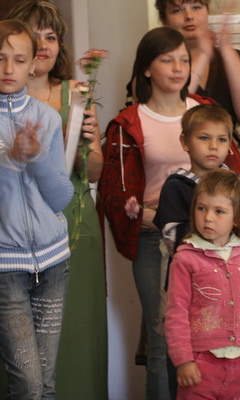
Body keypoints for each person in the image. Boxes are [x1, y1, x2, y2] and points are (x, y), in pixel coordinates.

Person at [97, 27, 214, 400]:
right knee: (162, 336)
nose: (178, 68)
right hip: (154, 240)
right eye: (167, 60)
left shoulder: (203, 111)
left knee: (208, 332)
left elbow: (232, 175)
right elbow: (115, 194)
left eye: (184, 60)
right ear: (147, 68)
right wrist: (146, 216)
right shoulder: (129, 122)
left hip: (207, 237)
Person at [5, 2, 108, 398]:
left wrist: (83, 142)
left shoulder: (76, 97)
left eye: (51, 37)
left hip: (69, 228)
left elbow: (91, 174)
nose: (44, 45)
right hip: (10, 245)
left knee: (70, 342)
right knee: (25, 371)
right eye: (36, 37)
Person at [0, 19, 73, 399]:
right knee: (27, 385)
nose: (8, 68)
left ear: (33, 64)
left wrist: (38, 156)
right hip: (5, 269)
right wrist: (11, 159)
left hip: (53, 263)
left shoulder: (46, 117)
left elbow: (60, 198)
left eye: (18, 59)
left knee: (45, 385)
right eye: (0, 58)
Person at [165, 168, 240, 399]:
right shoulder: (185, 258)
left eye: (219, 211)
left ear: (237, 216)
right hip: (200, 366)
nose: (208, 217)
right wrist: (184, 360)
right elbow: (177, 313)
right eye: (201, 208)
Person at [156, 0, 240, 174]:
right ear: (164, 20)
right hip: (177, 166)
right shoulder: (156, 62)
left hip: (232, 169)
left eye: (196, 7)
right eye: (177, 11)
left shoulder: (233, 57)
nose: (189, 16)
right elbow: (171, 108)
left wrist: (226, 50)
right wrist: (203, 55)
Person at [154, 103, 240, 256]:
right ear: (185, 142)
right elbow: (175, 242)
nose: (213, 146)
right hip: (192, 268)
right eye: (204, 138)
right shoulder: (175, 187)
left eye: (222, 139)